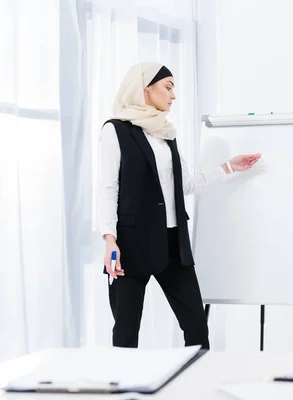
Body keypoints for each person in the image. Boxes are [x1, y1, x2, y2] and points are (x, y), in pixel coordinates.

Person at [98, 61, 261, 349]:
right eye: (168, 87)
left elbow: (184, 185)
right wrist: (110, 240)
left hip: (173, 244)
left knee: (197, 328)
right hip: (131, 246)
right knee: (125, 333)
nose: (173, 95)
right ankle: (125, 391)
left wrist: (228, 167)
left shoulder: (165, 132)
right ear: (145, 88)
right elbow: (109, 188)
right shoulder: (116, 130)